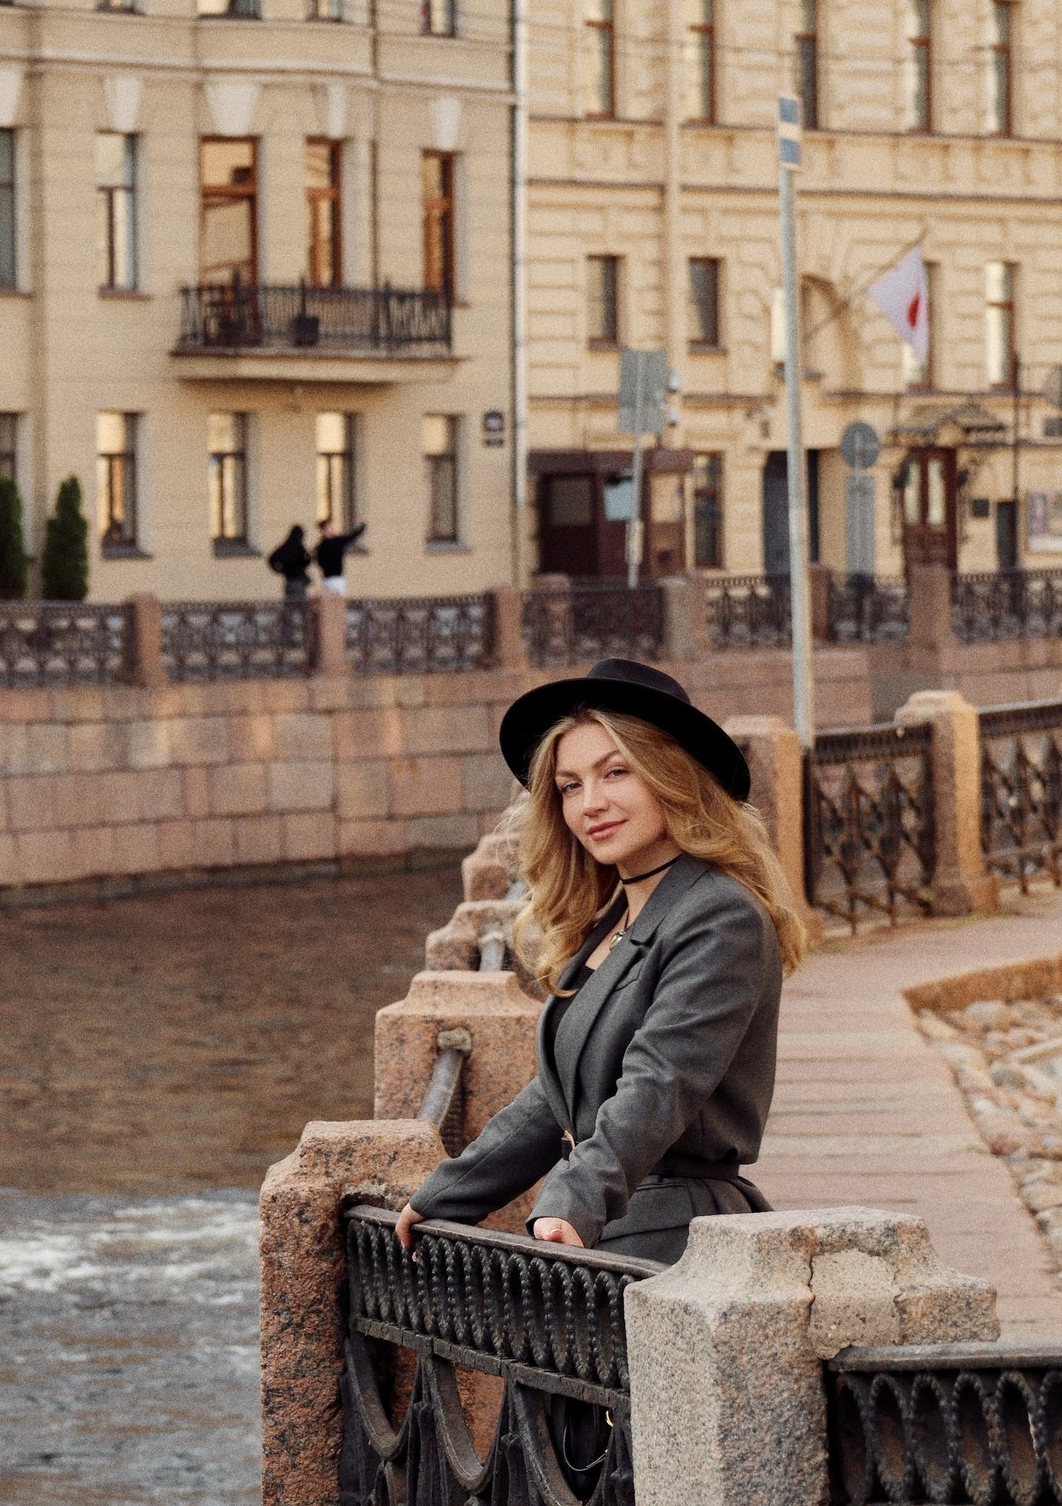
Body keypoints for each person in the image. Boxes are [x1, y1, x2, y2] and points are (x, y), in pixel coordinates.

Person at [394, 656, 807, 1268]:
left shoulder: (720, 915)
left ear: (674, 778)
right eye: (571, 785)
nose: (592, 803)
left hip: (674, 1239)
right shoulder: (615, 917)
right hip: (609, 1226)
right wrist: (448, 1195)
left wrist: (574, 1198)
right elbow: (556, 1097)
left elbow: (658, 1082)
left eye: (616, 772)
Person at [314, 517, 366, 597]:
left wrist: (361, 526)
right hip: (333, 579)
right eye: (330, 526)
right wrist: (362, 526)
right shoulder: (334, 542)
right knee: (338, 603)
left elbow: (318, 561)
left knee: (330, 604)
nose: (332, 528)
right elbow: (351, 537)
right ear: (324, 529)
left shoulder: (321, 545)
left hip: (330, 578)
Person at [266, 525, 311, 604]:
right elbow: (305, 562)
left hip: (288, 580)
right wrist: (309, 558)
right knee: (301, 604)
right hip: (299, 580)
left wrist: (279, 570)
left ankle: (289, 616)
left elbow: (271, 559)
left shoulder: (284, 547)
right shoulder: (300, 548)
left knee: (289, 605)